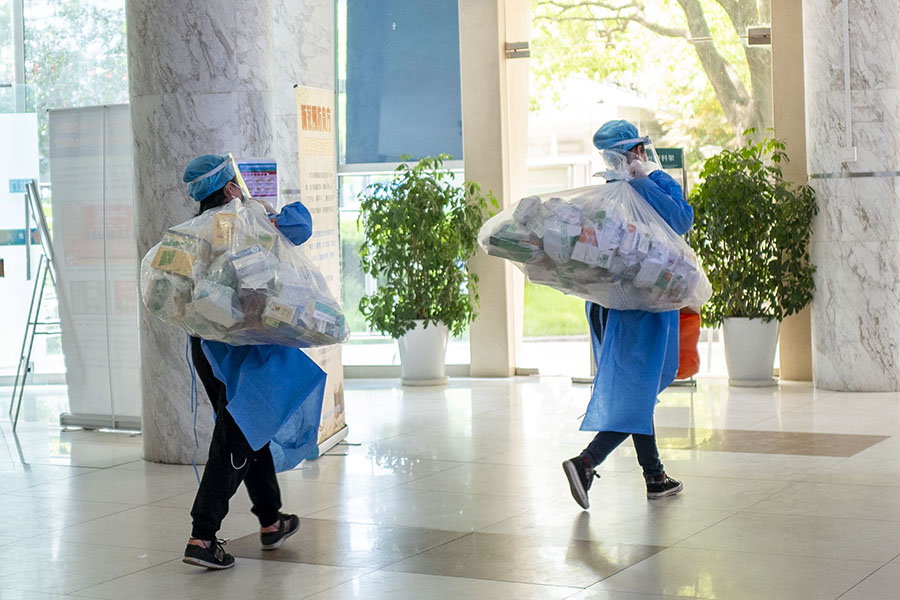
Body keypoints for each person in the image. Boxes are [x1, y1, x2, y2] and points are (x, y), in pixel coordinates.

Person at [180, 154, 325, 569]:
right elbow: (301, 226)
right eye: (236, 183)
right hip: (248, 349)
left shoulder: (195, 232)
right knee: (237, 436)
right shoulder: (247, 221)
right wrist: (265, 212)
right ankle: (203, 536)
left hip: (207, 348)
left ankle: (270, 519)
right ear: (228, 187)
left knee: (247, 428)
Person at [562, 120, 693, 510]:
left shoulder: (646, 186)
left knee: (638, 387)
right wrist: (642, 184)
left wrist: (643, 184)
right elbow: (682, 222)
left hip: (617, 307)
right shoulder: (615, 194)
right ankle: (587, 462)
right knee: (639, 389)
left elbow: (679, 219)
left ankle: (654, 476)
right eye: (628, 151)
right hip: (640, 308)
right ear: (634, 150)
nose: (633, 157)